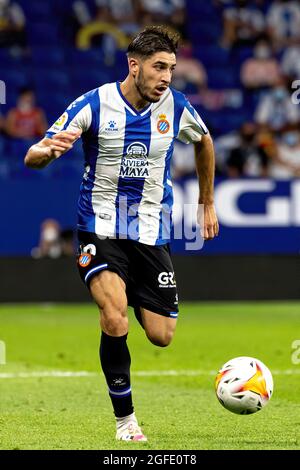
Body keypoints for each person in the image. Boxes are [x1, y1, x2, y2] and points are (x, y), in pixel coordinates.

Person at [24, 26, 219, 442]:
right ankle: (126, 421)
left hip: (151, 234)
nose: (166, 76)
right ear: (134, 65)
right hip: (100, 229)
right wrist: (47, 152)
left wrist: (207, 202)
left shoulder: (177, 107)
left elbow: (204, 141)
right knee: (114, 318)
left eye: (171, 68)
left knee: (162, 336)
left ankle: (124, 291)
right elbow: (33, 155)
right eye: (158, 67)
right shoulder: (94, 103)